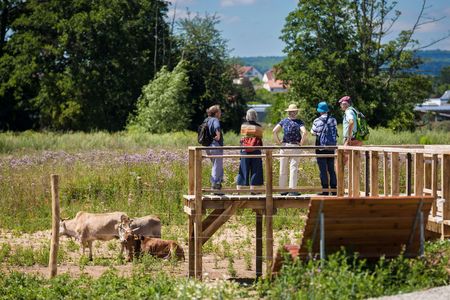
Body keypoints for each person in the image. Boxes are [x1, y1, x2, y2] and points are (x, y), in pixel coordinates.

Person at [273, 104, 308, 196]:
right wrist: (301, 143)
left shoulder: (284, 121)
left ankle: (282, 190)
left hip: (284, 146)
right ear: (296, 112)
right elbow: (304, 132)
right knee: (293, 168)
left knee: (282, 168)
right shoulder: (299, 122)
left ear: (288, 112)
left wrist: (278, 142)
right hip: (295, 146)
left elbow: (274, 131)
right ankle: (292, 190)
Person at [310, 101, 337, 195]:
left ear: (320, 111)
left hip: (320, 147)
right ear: (327, 110)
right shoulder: (333, 120)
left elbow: (313, 132)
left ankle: (325, 190)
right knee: (331, 168)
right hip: (331, 147)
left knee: (323, 169)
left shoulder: (317, 121)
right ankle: (334, 190)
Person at [236, 109, 264, 192]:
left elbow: (243, 136)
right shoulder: (259, 127)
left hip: (244, 149)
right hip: (255, 149)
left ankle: (239, 189)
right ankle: (254, 190)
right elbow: (260, 137)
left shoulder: (243, 126)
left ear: (247, 116)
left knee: (243, 168)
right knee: (256, 169)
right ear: (255, 116)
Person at [205, 105, 224, 192]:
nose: (220, 113)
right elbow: (217, 127)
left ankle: (217, 185)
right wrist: (218, 136)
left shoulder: (206, 120)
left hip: (207, 147)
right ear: (216, 113)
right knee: (217, 165)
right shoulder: (215, 120)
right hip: (215, 146)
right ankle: (215, 187)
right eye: (219, 112)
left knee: (215, 165)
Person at [339, 96, 363, 164]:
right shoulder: (354, 111)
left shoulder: (348, 111)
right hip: (358, 138)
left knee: (341, 160)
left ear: (345, 104)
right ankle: (355, 175)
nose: (341, 105)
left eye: (341, 104)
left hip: (351, 139)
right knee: (355, 161)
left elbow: (351, 122)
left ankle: (337, 175)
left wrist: (349, 137)